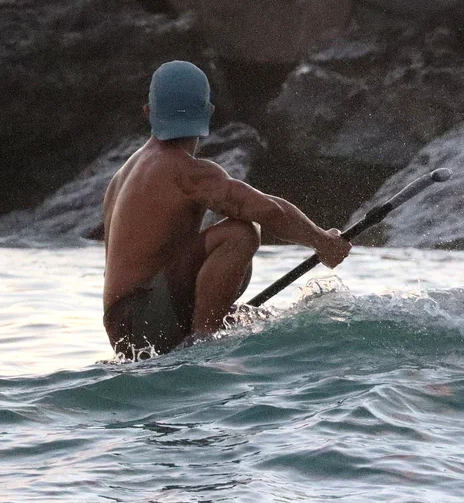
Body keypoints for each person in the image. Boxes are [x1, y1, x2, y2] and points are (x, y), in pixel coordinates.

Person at [102, 60, 351, 358]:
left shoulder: (124, 175)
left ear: (148, 112)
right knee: (241, 232)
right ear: (208, 112)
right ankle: (205, 341)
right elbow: (268, 210)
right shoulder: (187, 171)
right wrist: (322, 241)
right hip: (142, 321)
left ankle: (209, 324)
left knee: (254, 316)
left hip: (121, 327)